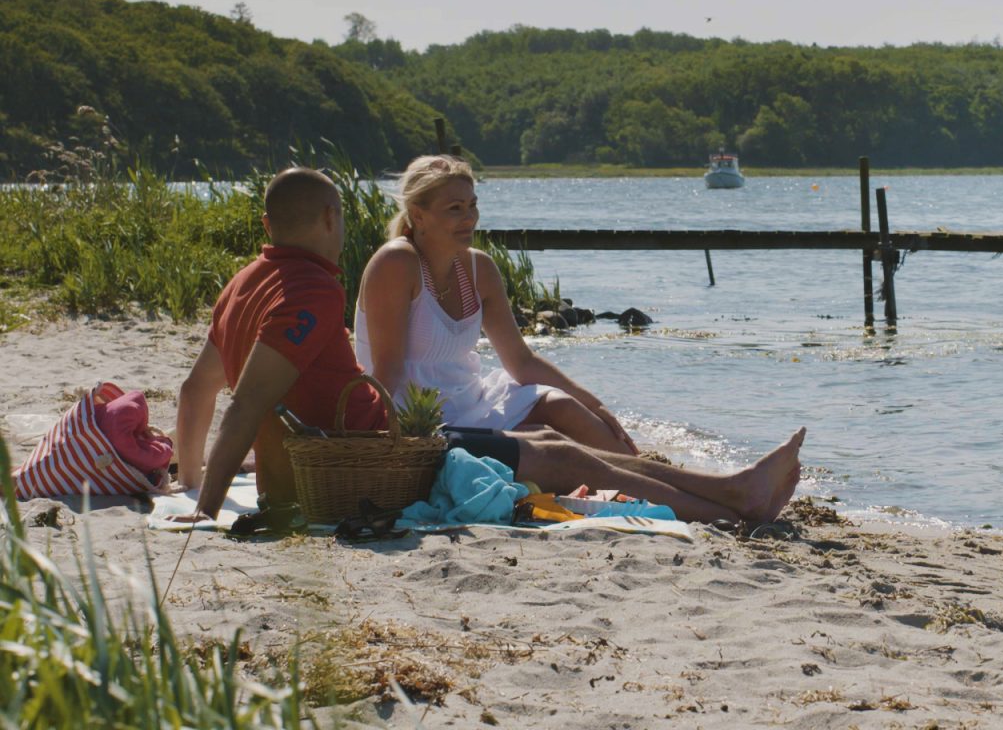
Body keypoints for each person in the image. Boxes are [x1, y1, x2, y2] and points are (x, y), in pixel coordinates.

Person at [174, 167, 806, 524]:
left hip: (379, 441)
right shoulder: (312, 290)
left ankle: (728, 490)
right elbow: (249, 402)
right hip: (381, 452)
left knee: (561, 443)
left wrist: (190, 482)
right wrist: (204, 510)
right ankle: (730, 499)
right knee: (566, 459)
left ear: (267, 226)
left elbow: (198, 389)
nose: (468, 217)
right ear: (333, 220)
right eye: (454, 207)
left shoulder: (244, 283)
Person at [354, 155, 636, 455]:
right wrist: (366, 444)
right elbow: (388, 371)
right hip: (421, 426)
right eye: (455, 209)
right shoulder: (396, 262)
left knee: (563, 406)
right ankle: (637, 482)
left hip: (475, 404)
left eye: (472, 205)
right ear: (418, 215)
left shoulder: (480, 269)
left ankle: (645, 474)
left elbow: (522, 362)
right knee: (550, 447)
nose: (470, 218)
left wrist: (595, 405)